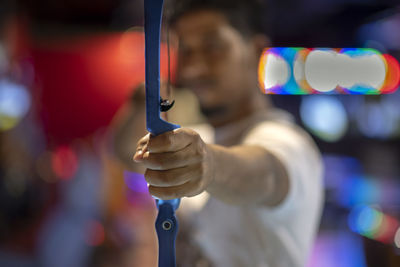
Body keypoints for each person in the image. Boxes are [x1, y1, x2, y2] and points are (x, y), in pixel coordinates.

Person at [132, 0, 324, 266]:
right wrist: (143, 97)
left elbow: (264, 174)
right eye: (186, 50)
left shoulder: (287, 141)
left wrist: (209, 165)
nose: (193, 68)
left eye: (213, 47)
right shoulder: (205, 137)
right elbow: (121, 149)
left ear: (256, 50)